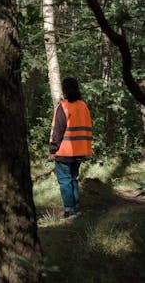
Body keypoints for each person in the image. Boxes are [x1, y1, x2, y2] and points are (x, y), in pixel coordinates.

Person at [49, 77, 92, 218]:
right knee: (73, 178)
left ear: (65, 89)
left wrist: (52, 150)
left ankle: (69, 210)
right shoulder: (83, 106)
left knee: (65, 180)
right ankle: (76, 207)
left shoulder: (64, 106)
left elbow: (58, 131)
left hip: (64, 151)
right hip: (80, 151)